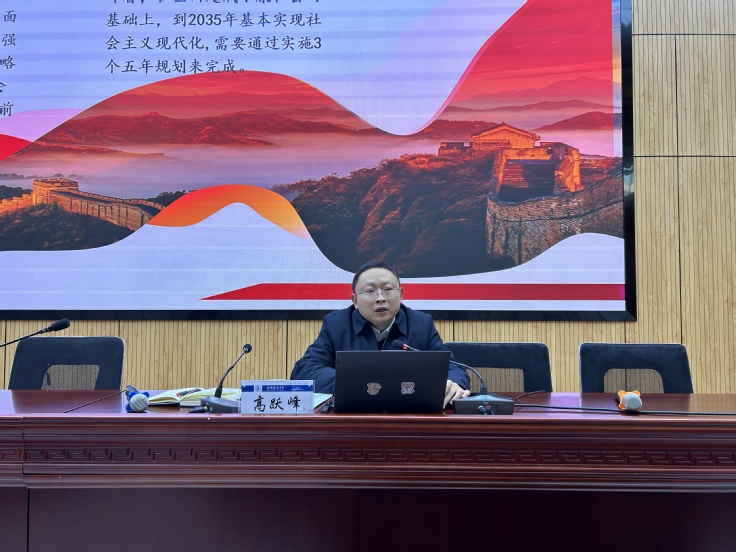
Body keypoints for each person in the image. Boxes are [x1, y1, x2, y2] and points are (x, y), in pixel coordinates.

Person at [291, 260, 471, 408]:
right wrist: (355, 382)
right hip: (355, 417)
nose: (380, 298)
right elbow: (304, 370)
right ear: (355, 300)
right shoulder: (337, 324)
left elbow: (453, 368)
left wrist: (453, 384)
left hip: (406, 416)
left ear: (401, 294)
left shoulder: (421, 324)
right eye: (370, 291)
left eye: (388, 289)